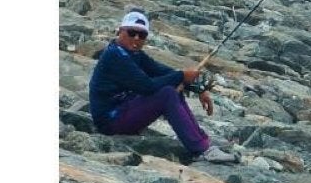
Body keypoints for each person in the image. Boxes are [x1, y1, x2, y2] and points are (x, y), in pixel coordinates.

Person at [88, 10, 238, 163]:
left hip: (123, 110)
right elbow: (147, 86)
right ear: (120, 31)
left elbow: (161, 71)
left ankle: (202, 141)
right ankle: (202, 149)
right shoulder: (115, 56)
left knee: (171, 87)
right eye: (132, 33)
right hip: (110, 121)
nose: (136, 38)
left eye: (142, 35)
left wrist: (198, 88)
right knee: (166, 93)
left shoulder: (135, 54)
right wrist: (181, 76)